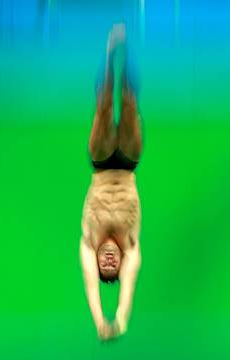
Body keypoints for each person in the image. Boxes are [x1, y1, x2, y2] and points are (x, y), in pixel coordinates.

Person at [80, 24, 142, 341]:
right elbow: (128, 287)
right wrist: (119, 316)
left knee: (104, 106)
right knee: (130, 105)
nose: (107, 262)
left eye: (103, 266)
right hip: (129, 166)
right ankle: (126, 52)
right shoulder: (131, 248)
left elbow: (91, 285)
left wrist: (99, 320)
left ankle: (108, 52)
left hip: (102, 166)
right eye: (112, 267)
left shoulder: (88, 243)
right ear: (119, 263)